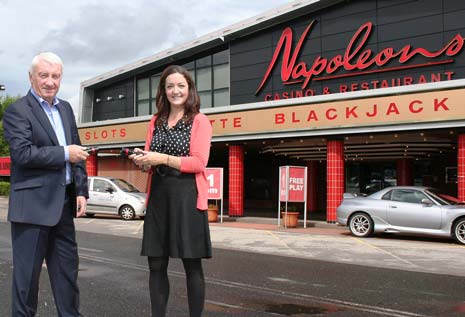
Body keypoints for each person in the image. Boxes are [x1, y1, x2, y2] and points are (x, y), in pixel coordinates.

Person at [3, 52, 90, 317]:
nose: (50, 82)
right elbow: (23, 154)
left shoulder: (65, 108)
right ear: (31, 77)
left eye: (55, 76)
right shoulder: (17, 111)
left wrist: (81, 190)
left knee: (67, 280)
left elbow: (78, 151)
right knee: (26, 284)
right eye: (44, 75)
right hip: (31, 209)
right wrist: (65, 153)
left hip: (63, 207)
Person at [129, 64, 212, 317]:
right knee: (155, 264)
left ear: (189, 89)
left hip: (187, 196)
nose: (175, 91)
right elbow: (150, 159)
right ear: (163, 91)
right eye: (170, 86)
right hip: (159, 196)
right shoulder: (156, 121)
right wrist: (142, 161)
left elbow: (199, 162)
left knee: (191, 265)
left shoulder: (199, 121)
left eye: (180, 86)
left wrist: (161, 158)